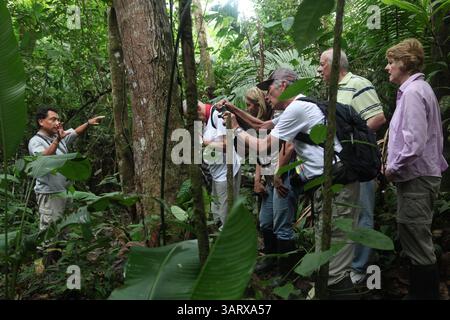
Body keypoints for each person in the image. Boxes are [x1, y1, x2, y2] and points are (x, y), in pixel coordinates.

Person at [221, 68, 360, 298]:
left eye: (270, 89)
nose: (267, 95)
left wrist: (235, 129)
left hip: (336, 184)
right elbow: (261, 126)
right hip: (331, 185)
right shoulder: (300, 106)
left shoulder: (296, 109)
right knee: (329, 254)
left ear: (284, 86)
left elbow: (264, 145)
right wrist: (233, 110)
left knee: (335, 262)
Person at [384, 38, 447, 299]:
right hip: (420, 175)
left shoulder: (413, 93)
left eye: (391, 62)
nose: (387, 68)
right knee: (415, 236)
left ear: (404, 64)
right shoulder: (419, 90)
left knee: (417, 242)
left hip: (416, 177)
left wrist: (392, 168)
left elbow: (415, 143)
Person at [318, 48, 386, 284]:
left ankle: (359, 269)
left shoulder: (358, 83)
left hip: (359, 162)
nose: (319, 69)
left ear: (336, 64)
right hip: (344, 167)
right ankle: (346, 266)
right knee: (348, 212)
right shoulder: (335, 91)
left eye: (323, 64)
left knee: (363, 213)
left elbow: (376, 117)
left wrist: (354, 145)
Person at [224, 87, 299, 276]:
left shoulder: (281, 116)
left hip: (281, 177)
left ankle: (285, 273)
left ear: (259, 104)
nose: (248, 108)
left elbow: (288, 146)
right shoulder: (262, 123)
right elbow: (261, 151)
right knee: (266, 223)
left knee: (282, 226)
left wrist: (279, 173)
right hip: (268, 177)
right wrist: (258, 179)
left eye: (249, 105)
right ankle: (271, 261)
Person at [28, 107, 105, 230]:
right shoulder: (35, 141)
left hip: (65, 191)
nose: (57, 123)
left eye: (58, 120)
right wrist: (58, 139)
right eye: (53, 119)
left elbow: (75, 132)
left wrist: (88, 123)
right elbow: (43, 158)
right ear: (41, 122)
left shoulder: (57, 137)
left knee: (64, 229)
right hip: (50, 193)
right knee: (50, 231)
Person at [196, 100, 241, 229]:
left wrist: (205, 142)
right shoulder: (207, 118)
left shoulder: (217, 115)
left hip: (226, 173)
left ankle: (231, 244)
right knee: (216, 211)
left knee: (225, 214)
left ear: (197, 108)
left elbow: (227, 145)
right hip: (216, 173)